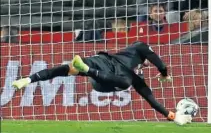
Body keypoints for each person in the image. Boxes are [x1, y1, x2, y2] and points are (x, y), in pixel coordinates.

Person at [11, 41, 177, 121]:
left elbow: (150, 98)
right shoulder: (140, 47)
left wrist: (169, 114)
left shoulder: (137, 76)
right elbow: (160, 64)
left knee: (126, 82)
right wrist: (164, 74)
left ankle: (87, 70)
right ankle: (27, 80)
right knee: (69, 69)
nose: (150, 61)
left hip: (106, 80)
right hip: (107, 64)